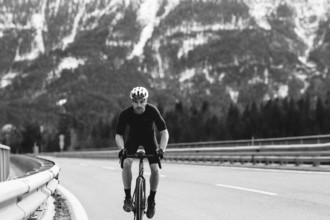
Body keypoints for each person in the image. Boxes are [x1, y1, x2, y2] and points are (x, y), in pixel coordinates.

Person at [115, 86, 169, 219]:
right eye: (135, 102)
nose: (139, 105)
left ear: (146, 100)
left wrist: (161, 149)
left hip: (149, 139)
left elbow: (164, 132)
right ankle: (128, 198)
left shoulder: (152, 111)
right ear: (131, 101)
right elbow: (118, 135)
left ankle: (151, 200)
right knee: (126, 163)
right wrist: (122, 149)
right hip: (133, 138)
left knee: (155, 168)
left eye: (142, 101)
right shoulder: (125, 113)